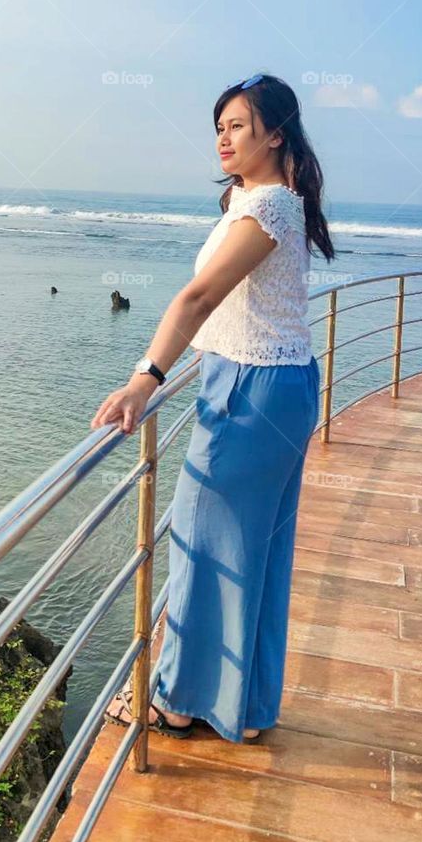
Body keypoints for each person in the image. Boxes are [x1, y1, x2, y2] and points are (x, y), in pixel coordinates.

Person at [92, 72, 335, 744]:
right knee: (252, 549)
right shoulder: (255, 198)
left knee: (200, 544)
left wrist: (145, 377)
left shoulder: (271, 209)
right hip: (273, 384)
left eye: (236, 126)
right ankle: (244, 708)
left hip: (251, 392)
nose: (222, 139)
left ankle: (175, 700)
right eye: (218, 128)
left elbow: (198, 298)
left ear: (275, 133)